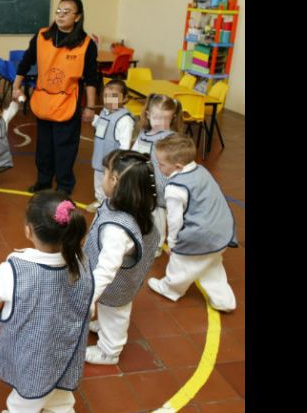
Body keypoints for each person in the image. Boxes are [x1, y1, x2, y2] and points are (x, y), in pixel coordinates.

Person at [0, 190, 93, 413]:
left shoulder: (15, 272)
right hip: (66, 352)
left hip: (34, 361)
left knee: (22, 404)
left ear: (28, 230)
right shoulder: (82, 262)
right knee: (61, 398)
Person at [12, 0, 99, 196]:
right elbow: (25, 63)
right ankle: (43, 181)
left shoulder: (86, 44)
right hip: (44, 101)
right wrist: (16, 87)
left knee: (65, 148)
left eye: (66, 12)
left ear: (77, 17)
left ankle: (64, 185)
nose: (60, 15)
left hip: (68, 102)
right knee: (44, 146)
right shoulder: (42, 36)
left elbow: (92, 78)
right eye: (58, 11)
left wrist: (90, 107)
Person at [84, 150, 161, 365]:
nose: (102, 176)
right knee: (110, 309)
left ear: (115, 180)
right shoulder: (134, 204)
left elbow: (106, 270)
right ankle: (104, 325)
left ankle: (110, 351)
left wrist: (89, 297)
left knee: (116, 311)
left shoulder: (117, 232)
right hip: (118, 277)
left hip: (116, 282)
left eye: (105, 173)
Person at [148, 134, 238, 312]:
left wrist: (173, 244)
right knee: (211, 264)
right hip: (222, 233)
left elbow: (174, 220)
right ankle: (224, 300)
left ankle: (170, 289)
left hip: (200, 237)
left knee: (181, 263)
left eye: (162, 164)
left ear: (178, 166)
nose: (158, 167)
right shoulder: (201, 171)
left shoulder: (175, 188)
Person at [131, 94, 183, 257]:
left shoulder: (170, 138)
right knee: (144, 212)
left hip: (161, 185)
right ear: (147, 115)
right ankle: (145, 237)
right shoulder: (144, 133)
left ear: (173, 118)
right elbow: (134, 152)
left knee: (159, 216)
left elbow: (177, 162)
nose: (160, 123)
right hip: (143, 182)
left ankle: (158, 243)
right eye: (156, 118)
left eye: (165, 119)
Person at [86, 79, 136, 213]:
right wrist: (94, 120)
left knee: (112, 184)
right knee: (98, 180)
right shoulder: (105, 111)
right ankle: (100, 200)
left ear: (125, 98)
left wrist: (118, 161)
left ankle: (112, 204)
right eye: (105, 96)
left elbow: (125, 145)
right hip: (100, 157)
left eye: (113, 97)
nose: (108, 100)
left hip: (112, 162)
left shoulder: (124, 120)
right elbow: (103, 126)